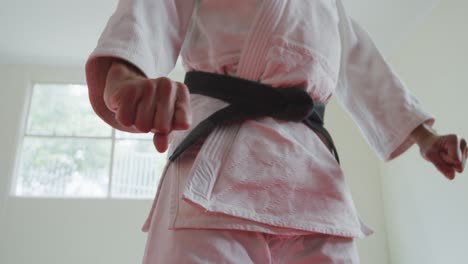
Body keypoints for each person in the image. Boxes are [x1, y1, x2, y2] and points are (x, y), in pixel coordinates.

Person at [86, 0, 467, 263]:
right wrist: (124, 74)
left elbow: (361, 65)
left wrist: (424, 136)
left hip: (316, 183)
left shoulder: (327, 6)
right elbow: (155, 10)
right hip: (219, 163)